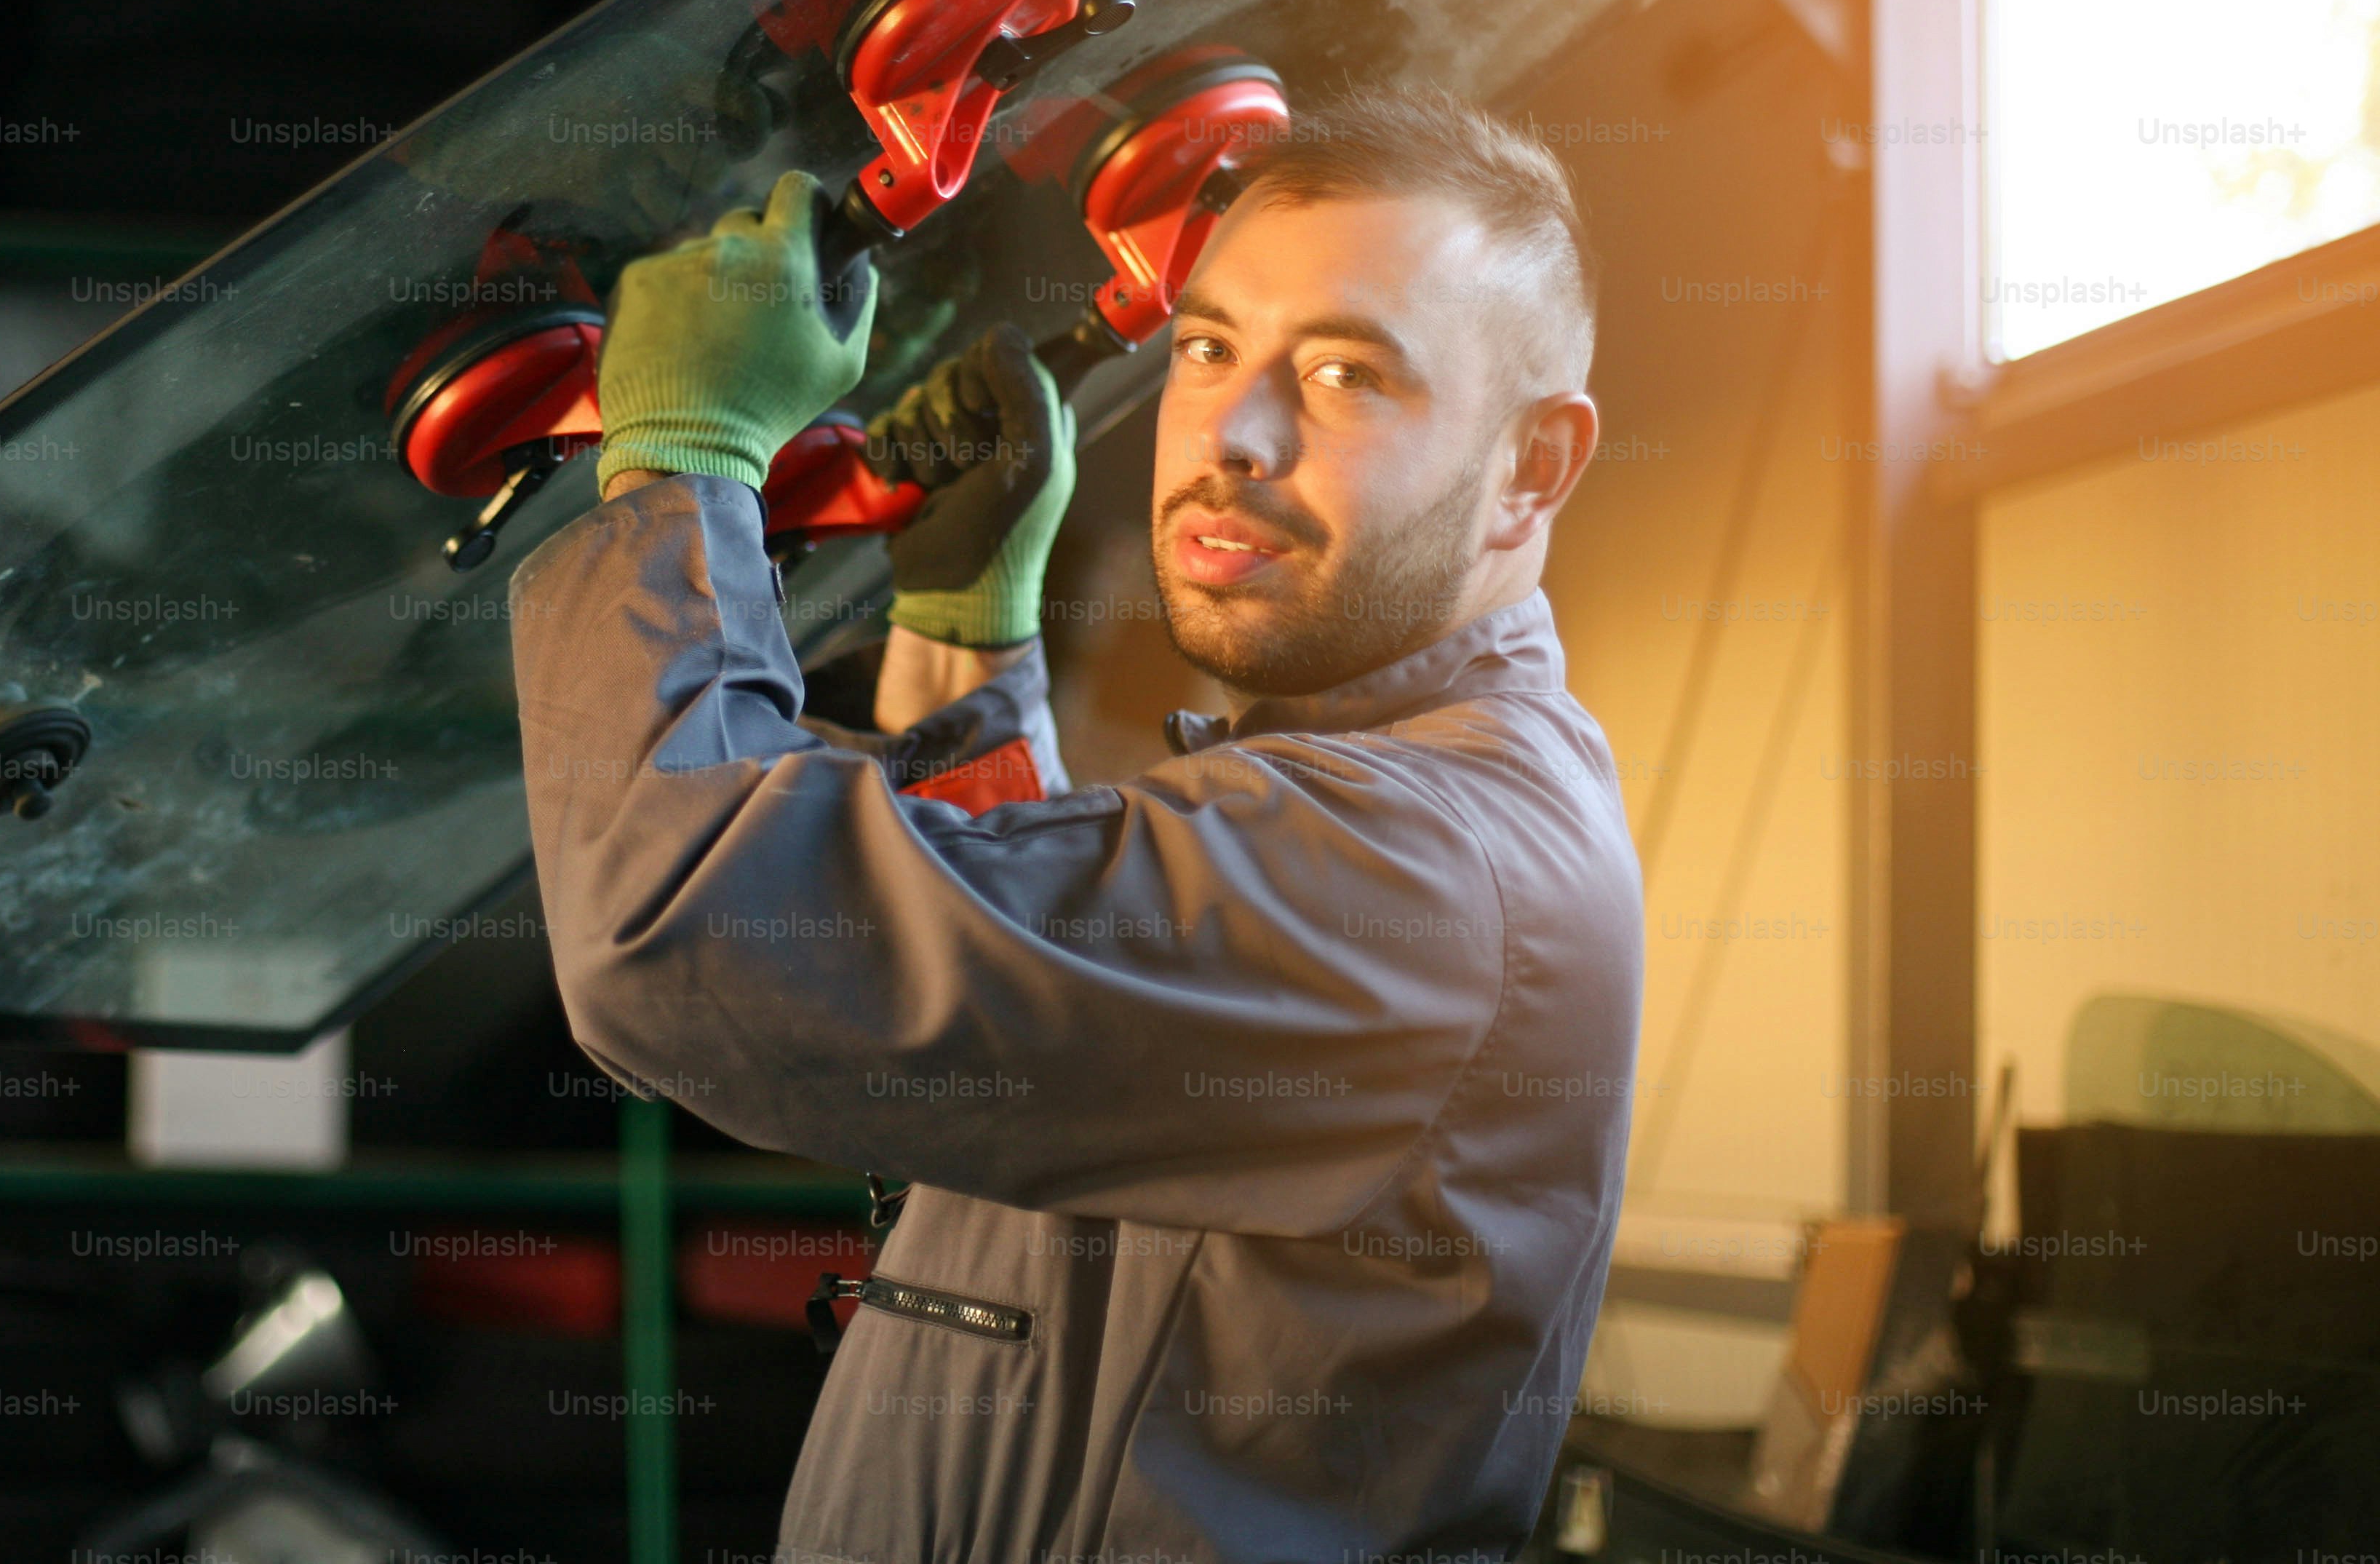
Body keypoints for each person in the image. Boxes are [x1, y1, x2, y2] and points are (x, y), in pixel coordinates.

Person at [507, 84, 1643, 1563]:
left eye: (1352, 374)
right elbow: (1055, 1035)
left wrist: (686, 456)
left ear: (1535, 467)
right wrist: (968, 646)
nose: (1234, 430)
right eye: (1209, 346)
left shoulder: (1431, 863)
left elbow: (687, 936)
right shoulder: (1370, 791)